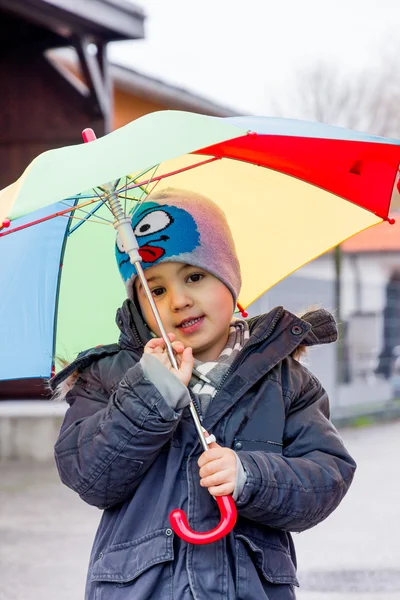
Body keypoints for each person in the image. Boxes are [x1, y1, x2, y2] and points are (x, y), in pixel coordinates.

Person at [51, 188, 356, 600]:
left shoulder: (283, 379)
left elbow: (326, 476)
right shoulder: (112, 376)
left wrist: (252, 475)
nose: (178, 301)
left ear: (229, 278)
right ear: (138, 303)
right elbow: (91, 477)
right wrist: (150, 394)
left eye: (194, 276)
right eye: (155, 290)